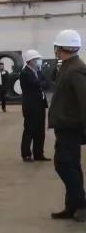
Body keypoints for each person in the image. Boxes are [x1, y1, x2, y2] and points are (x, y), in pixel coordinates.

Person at [47, 30, 86, 221]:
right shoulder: (68, 66)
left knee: (63, 164)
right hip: (66, 125)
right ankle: (71, 206)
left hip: (71, 126)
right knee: (72, 165)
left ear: (60, 48)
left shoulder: (76, 69)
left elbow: (84, 100)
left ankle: (81, 205)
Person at [19, 50, 50, 163]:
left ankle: (38, 153)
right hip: (31, 106)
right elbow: (35, 84)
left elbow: (46, 83)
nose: (38, 61)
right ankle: (26, 154)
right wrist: (40, 83)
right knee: (29, 130)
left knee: (40, 130)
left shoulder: (38, 72)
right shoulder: (25, 73)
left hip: (40, 104)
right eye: (36, 59)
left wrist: (40, 82)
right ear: (30, 60)